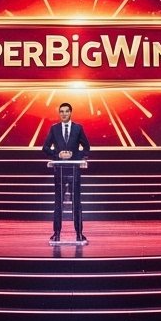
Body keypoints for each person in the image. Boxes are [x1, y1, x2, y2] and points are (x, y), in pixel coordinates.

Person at [40, 102, 90, 244]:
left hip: (74, 170)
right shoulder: (54, 128)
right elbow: (45, 148)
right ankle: (56, 234)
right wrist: (58, 155)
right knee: (58, 203)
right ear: (59, 113)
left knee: (77, 203)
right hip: (59, 170)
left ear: (70, 113)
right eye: (61, 111)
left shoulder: (78, 128)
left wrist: (74, 155)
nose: (64, 114)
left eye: (66, 111)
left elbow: (87, 148)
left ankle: (79, 234)